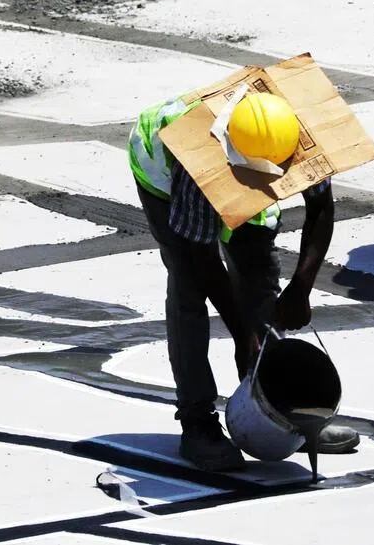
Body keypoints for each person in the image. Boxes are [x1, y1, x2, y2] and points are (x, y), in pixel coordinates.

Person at [129, 90, 359, 472]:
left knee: (260, 277)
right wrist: (241, 331)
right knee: (188, 288)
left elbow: (321, 209)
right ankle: (197, 421)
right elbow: (203, 262)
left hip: (245, 163)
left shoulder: (301, 139)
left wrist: (300, 288)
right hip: (164, 179)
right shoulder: (198, 166)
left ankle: (279, 409)